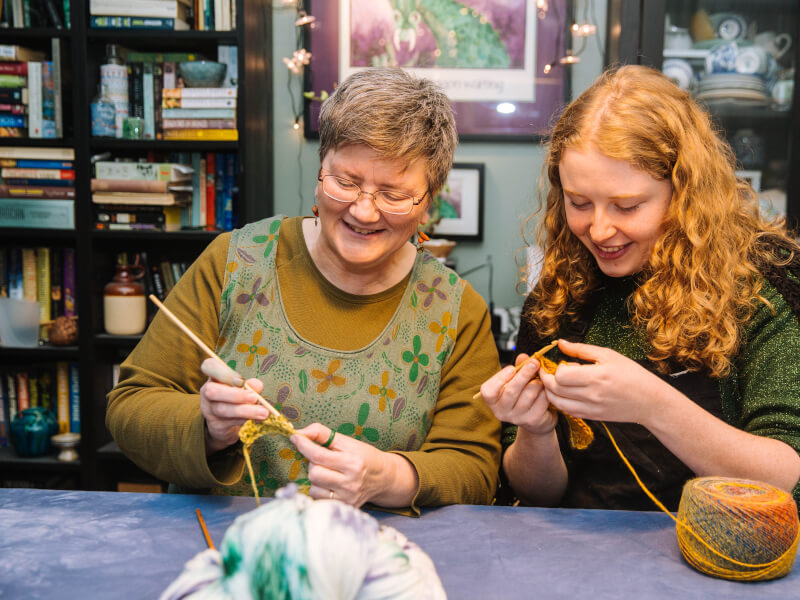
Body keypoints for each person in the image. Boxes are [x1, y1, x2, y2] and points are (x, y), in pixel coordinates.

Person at [106, 68, 501, 514]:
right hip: (227, 555)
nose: (364, 211)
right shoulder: (232, 263)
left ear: (428, 201)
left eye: (393, 194)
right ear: (320, 170)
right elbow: (129, 407)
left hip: (375, 564)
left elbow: (476, 469)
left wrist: (388, 477)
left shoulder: (455, 309)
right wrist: (207, 428)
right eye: (346, 182)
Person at [480, 65, 800, 511]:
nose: (600, 229)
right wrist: (534, 432)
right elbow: (536, 495)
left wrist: (653, 405)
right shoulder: (559, 293)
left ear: (685, 192)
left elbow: (788, 481)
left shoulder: (761, 285)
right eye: (579, 203)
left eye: (627, 206)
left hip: (720, 560)